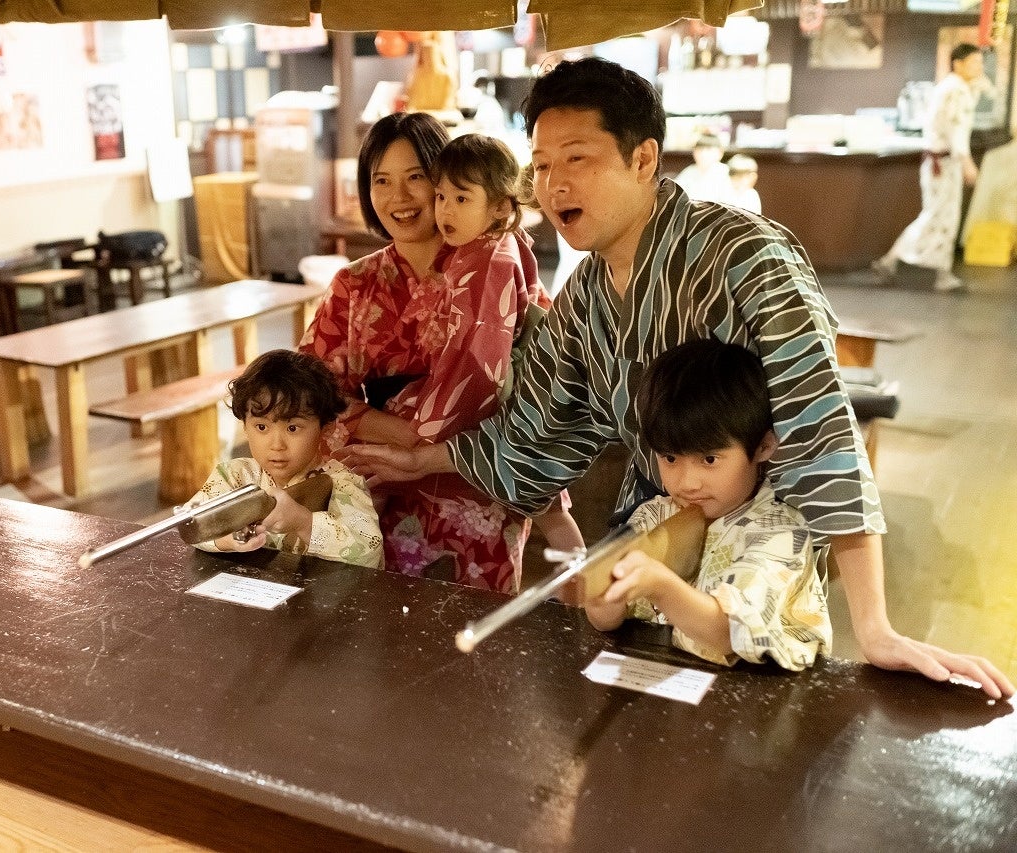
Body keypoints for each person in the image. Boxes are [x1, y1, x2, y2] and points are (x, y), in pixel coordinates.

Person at [342, 57, 1012, 699]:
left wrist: (877, 626)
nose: (554, 184)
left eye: (578, 158)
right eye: (542, 165)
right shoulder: (583, 299)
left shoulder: (748, 257)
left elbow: (818, 427)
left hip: (760, 548)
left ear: (643, 158)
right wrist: (419, 456)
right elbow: (536, 434)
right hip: (656, 524)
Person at [300, 112, 582, 594]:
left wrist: (426, 446)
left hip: (475, 483)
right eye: (381, 181)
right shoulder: (354, 283)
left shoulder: (497, 264)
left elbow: (543, 383)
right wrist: (401, 433)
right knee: (381, 636)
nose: (399, 197)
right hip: (380, 488)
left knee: (473, 641)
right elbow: (310, 392)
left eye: (416, 178)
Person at [585, 339, 831, 671]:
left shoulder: (780, 533)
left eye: (709, 459)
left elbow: (727, 632)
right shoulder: (654, 515)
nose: (687, 482)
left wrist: (660, 585)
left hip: (757, 701)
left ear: (763, 447)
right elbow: (603, 621)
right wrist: (605, 591)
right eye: (670, 458)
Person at [431, 132, 581, 553]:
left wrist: (432, 423)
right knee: (550, 506)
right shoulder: (494, 245)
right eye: (441, 197)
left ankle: (587, 591)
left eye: (462, 199)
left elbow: (480, 355)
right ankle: (583, 587)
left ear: (499, 206)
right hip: (528, 381)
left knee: (544, 502)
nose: (445, 210)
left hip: (516, 391)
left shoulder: (489, 260)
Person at [187, 349, 383, 570]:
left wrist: (304, 522)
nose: (276, 445)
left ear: (325, 429)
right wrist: (227, 540)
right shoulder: (235, 476)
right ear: (245, 426)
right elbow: (192, 523)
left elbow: (369, 550)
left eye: (292, 428)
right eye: (261, 427)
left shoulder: (343, 482)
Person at [874, 43, 989, 293]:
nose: (979, 68)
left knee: (940, 215)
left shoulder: (954, 87)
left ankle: (932, 270)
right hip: (944, 163)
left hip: (941, 161)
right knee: (939, 216)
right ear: (958, 64)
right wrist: (966, 162)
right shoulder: (956, 90)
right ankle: (899, 262)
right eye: (974, 63)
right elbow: (955, 129)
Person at [674, 133, 732, 204]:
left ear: (720, 153)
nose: (703, 154)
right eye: (699, 149)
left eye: (708, 149)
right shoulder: (689, 171)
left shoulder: (726, 172)